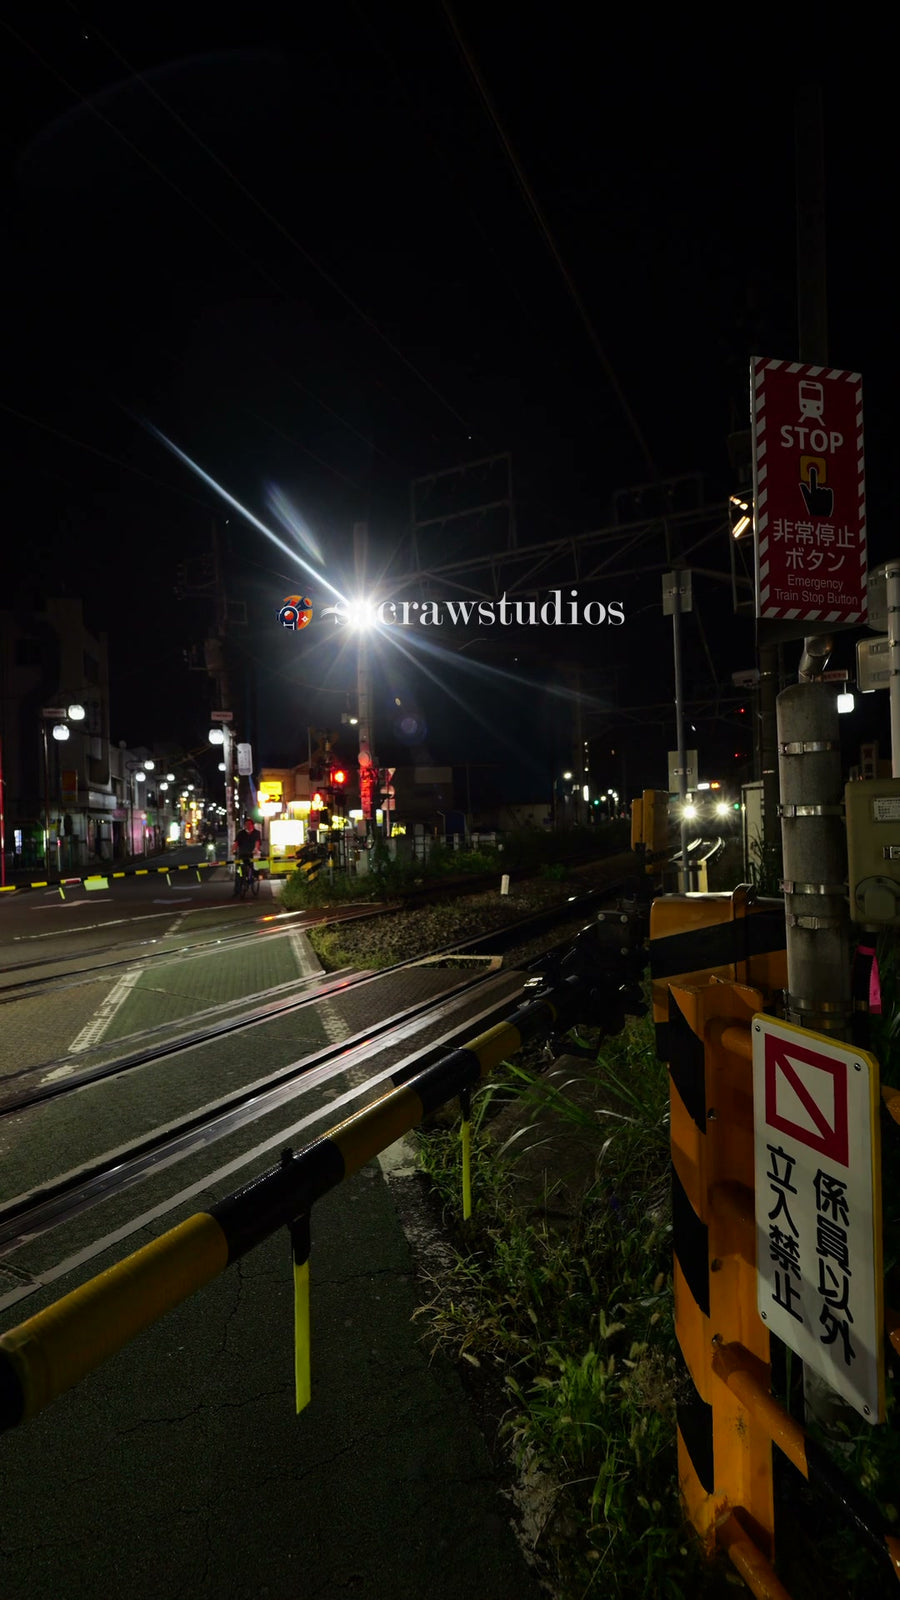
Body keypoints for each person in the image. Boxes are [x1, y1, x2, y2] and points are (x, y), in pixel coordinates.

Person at [233, 816, 262, 895]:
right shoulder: (241, 833)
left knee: (258, 866)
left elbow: (257, 842)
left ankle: (257, 876)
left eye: (249, 824)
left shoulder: (257, 833)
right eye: (246, 824)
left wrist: (256, 849)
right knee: (239, 872)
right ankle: (237, 890)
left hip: (253, 854)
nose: (248, 826)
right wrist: (234, 850)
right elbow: (236, 843)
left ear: (252, 825)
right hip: (243, 854)